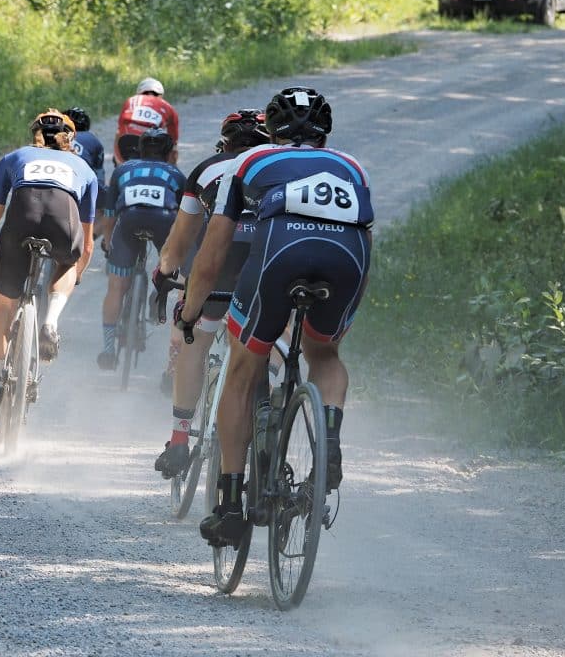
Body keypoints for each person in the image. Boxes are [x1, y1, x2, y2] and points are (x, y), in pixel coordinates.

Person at [172, 86, 373, 548]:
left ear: (272, 129)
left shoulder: (250, 162)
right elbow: (366, 234)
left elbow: (213, 250)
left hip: (282, 247)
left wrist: (191, 309)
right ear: (325, 132)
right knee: (325, 353)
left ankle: (228, 506)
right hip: (348, 257)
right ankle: (330, 443)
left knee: (245, 364)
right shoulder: (352, 167)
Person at [152, 109, 269, 478]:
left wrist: (164, 273)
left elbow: (180, 240)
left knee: (196, 338)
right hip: (267, 262)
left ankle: (180, 438)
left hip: (219, 263)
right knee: (272, 334)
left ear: (225, 141)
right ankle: (273, 407)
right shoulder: (280, 165)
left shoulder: (207, 169)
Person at [0, 109, 98, 426]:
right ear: (70, 140)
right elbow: (89, 244)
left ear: (34, 135)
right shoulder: (84, 168)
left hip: (19, 221)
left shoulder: (15, 157)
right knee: (68, 261)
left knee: (4, 306)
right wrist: (72, 277)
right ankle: (50, 322)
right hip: (63, 222)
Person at [97, 127, 186, 370]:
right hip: (164, 222)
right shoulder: (176, 175)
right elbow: (185, 218)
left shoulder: (123, 169)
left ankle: (107, 350)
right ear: (170, 154)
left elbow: (109, 215)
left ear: (140, 149)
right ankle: (160, 289)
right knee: (169, 264)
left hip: (128, 222)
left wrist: (107, 241)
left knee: (116, 287)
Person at [113, 78, 180, 167]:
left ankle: (118, 169)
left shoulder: (130, 101)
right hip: (151, 145)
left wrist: (117, 158)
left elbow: (121, 125)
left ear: (139, 92)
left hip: (128, 143)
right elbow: (173, 139)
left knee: (119, 134)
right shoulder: (169, 107)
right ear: (160, 95)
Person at [63, 106, 107, 219]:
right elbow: (99, 180)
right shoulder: (92, 140)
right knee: (107, 210)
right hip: (76, 190)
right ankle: (89, 235)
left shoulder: (49, 138)